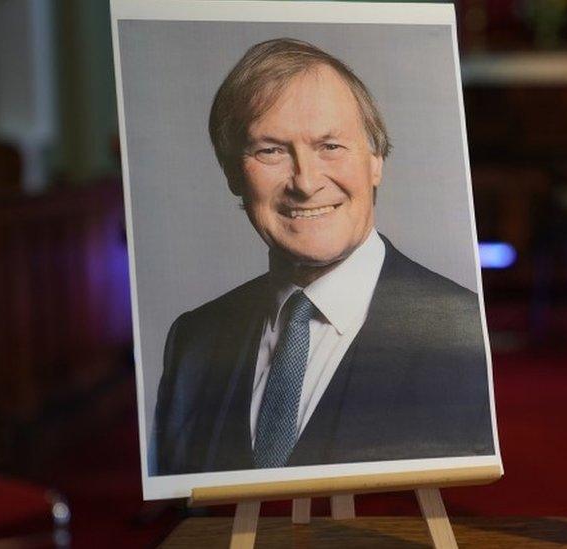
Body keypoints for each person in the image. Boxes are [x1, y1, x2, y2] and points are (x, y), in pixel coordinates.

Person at [153, 38, 493, 475]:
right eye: (271, 150)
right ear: (233, 173)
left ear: (376, 162)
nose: (306, 182)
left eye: (330, 146)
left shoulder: (457, 327)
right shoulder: (194, 340)